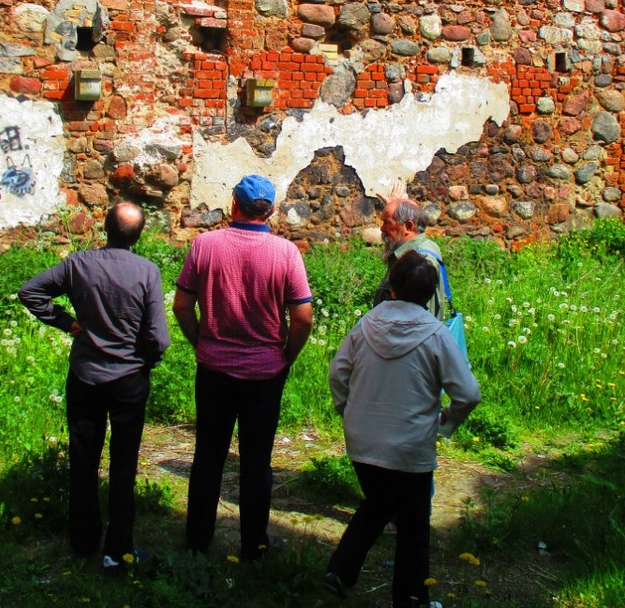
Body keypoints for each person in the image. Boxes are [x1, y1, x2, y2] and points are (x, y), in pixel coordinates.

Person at [18, 202, 170, 570]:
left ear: (106, 228)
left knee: (83, 459)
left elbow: (30, 292)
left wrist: (68, 323)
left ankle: (83, 541)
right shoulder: (147, 272)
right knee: (124, 463)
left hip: (86, 374)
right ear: (139, 235)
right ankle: (118, 549)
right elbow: (158, 337)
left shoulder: (78, 264)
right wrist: (144, 361)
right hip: (129, 379)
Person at [325, 251, 481, 608]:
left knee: (379, 502)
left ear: (391, 286)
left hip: (364, 440)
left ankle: (341, 570)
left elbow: (338, 374)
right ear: (430, 295)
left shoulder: (366, 325)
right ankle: (411, 598)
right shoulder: (435, 335)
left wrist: (347, 411)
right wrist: (447, 421)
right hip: (410, 445)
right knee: (413, 524)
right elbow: (468, 392)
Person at [172, 174, 313, 560]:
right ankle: (254, 542)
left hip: (214, 368)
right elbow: (302, 318)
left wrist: (199, 340)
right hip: (265, 373)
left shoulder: (205, 245)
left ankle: (198, 539)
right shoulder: (286, 253)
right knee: (256, 460)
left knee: (208, 455)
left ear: (233, 203)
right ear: (270, 209)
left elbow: (182, 305)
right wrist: (287, 354)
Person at [373, 195, 450, 320]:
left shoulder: (419, 262)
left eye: (387, 222)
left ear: (409, 226)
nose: (382, 228)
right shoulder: (421, 248)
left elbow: (418, 323)